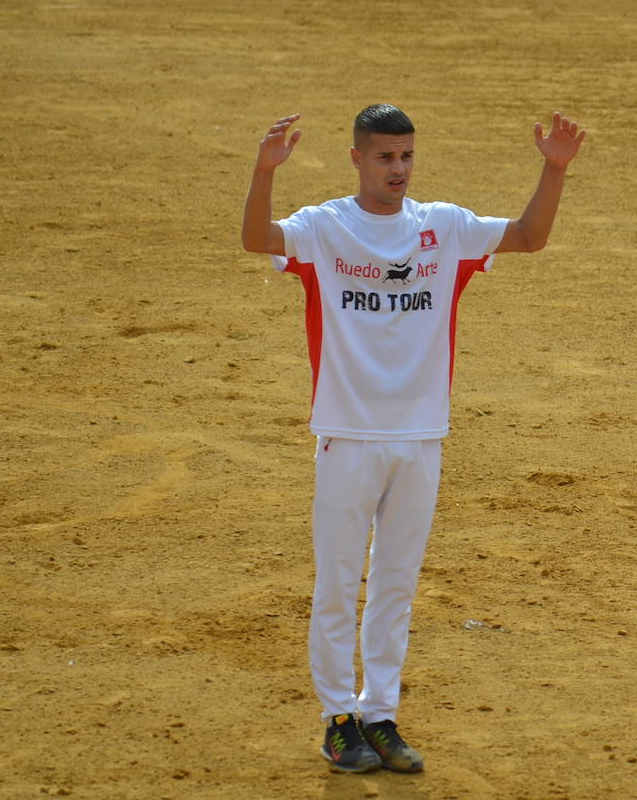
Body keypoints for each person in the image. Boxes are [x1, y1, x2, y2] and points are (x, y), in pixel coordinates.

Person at [241, 104, 586, 773]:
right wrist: (264, 171)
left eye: (406, 156)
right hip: (346, 435)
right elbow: (259, 239)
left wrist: (554, 170)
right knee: (338, 584)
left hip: (422, 437)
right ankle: (337, 718)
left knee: (396, 585)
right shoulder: (326, 227)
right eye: (384, 157)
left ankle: (380, 714)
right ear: (357, 159)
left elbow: (528, 237)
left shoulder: (444, 227)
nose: (397, 169)